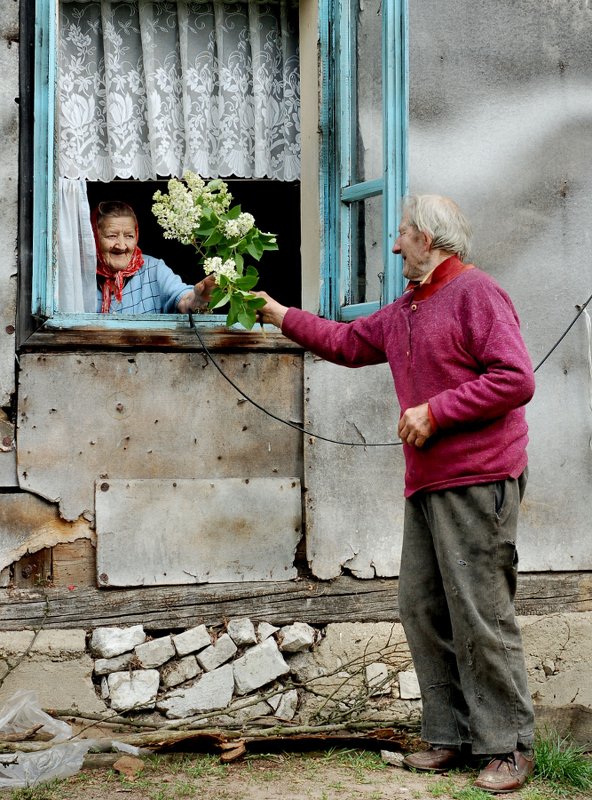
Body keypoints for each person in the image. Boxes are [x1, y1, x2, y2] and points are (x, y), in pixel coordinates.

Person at [255, 194, 536, 794]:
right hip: (429, 482)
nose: (393, 244)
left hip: (479, 479)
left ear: (429, 241)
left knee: (482, 614)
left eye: (402, 233)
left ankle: (509, 746)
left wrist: (436, 411)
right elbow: (348, 342)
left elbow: (516, 379)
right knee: (421, 605)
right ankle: (452, 735)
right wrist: (278, 314)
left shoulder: (476, 293)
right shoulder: (409, 307)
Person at [92, 200, 214, 314]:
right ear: (95, 238)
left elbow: (183, 298)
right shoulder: (80, 275)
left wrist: (198, 298)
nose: (122, 246)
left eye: (129, 236)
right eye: (112, 236)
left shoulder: (153, 269)